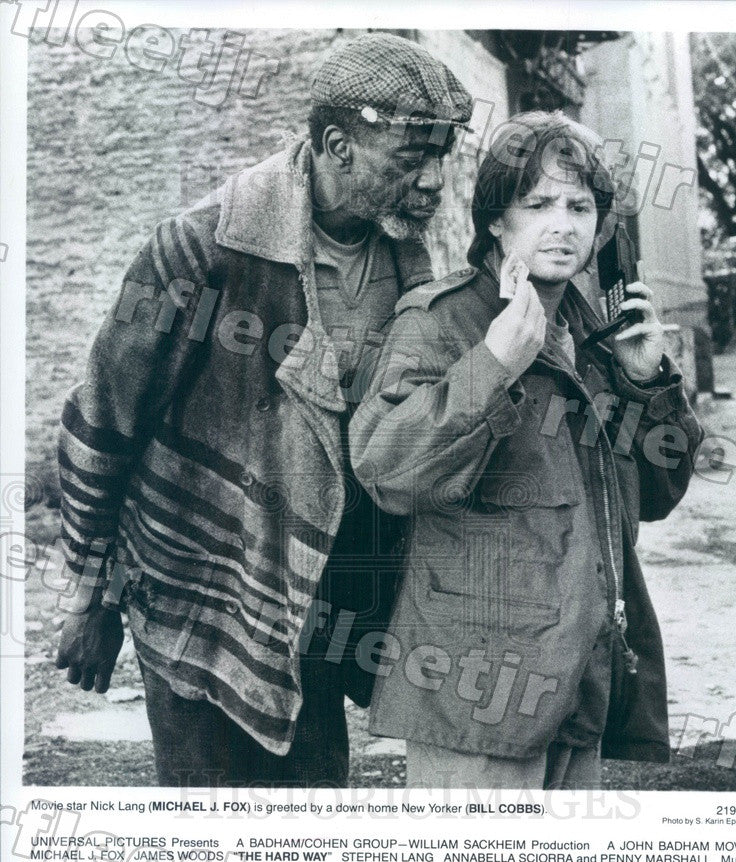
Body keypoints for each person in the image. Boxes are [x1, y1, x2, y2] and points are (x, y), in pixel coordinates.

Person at [54, 32, 472, 787]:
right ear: (338, 145)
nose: (433, 181)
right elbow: (103, 418)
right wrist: (91, 599)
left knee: (306, 822)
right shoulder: (200, 249)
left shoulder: (407, 260)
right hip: (194, 591)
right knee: (213, 837)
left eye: (443, 156)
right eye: (410, 158)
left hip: (313, 597)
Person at [349, 110, 704, 789]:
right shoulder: (441, 320)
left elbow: (655, 498)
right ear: (494, 221)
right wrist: (492, 364)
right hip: (477, 696)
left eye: (579, 206)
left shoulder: (592, 329)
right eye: (537, 204)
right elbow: (386, 469)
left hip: (580, 680)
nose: (563, 224)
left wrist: (646, 383)